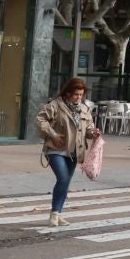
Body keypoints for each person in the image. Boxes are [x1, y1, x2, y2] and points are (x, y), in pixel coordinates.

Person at [36, 77, 99, 227]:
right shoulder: (56, 105)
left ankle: (57, 213)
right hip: (56, 149)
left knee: (65, 182)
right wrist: (53, 134)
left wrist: (93, 133)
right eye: (76, 94)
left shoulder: (84, 109)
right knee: (63, 178)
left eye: (81, 94)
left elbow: (88, 128)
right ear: (69, 93)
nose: (79, 97)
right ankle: (54, 215)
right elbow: (40, 120)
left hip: (75, 151)